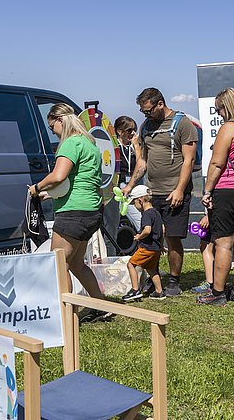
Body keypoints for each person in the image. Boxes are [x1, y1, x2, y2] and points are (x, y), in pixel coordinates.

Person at [28, 103, 109, 321]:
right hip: (91, 211)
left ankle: (65, 316)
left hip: (73, 213)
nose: (52, 130)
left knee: (59, 264)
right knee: (76, 264)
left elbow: (58, 176)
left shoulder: (70, 144)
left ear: (60, 121)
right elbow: (79, 180)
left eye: (51, 125)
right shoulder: (90, 144)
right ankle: (101, 305)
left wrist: (37, 188)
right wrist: (51, 194)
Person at [126, 87, 199, 296]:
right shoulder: (146, 126)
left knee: (173, 238)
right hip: (152, 193)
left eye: (148, 111)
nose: (146, 115)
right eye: (143, 112)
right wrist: (131, 185)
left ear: (160, 103)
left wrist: (179, 190)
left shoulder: (182, 124)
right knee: (152, 239)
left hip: (174, 192)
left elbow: (189, 160)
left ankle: (174, 280)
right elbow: (143, 161)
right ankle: (154, 278)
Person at [198, 87, 234, 305]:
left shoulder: (228, 128)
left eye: (219, 109)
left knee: (222, 243)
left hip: (227, 190)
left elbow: (217, 163)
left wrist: (207, 191)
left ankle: (217, 292)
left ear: (227, 106)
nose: (218, 114)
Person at [122, 185, 165, 301]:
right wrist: (161, 245)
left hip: (147, 247)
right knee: (151, 269)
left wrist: (139, 237)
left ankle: (135, 290)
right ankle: (159, 292)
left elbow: (147, 230)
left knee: (131, 264)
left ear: (140, 201)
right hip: (155, 247)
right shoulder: (155, 212)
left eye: (134, 203)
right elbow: (163, 229)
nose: (134, 207)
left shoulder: (146, 214)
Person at [115, 115, 144, 229]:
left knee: (141, 220)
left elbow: (140, 163)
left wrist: (136, 146)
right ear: (120, 131)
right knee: (113, 223)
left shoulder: (134, 147)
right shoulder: (114, 146)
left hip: (134, 183)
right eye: (129, 130)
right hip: (119, 185)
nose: (132, 133)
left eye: (134, 130)